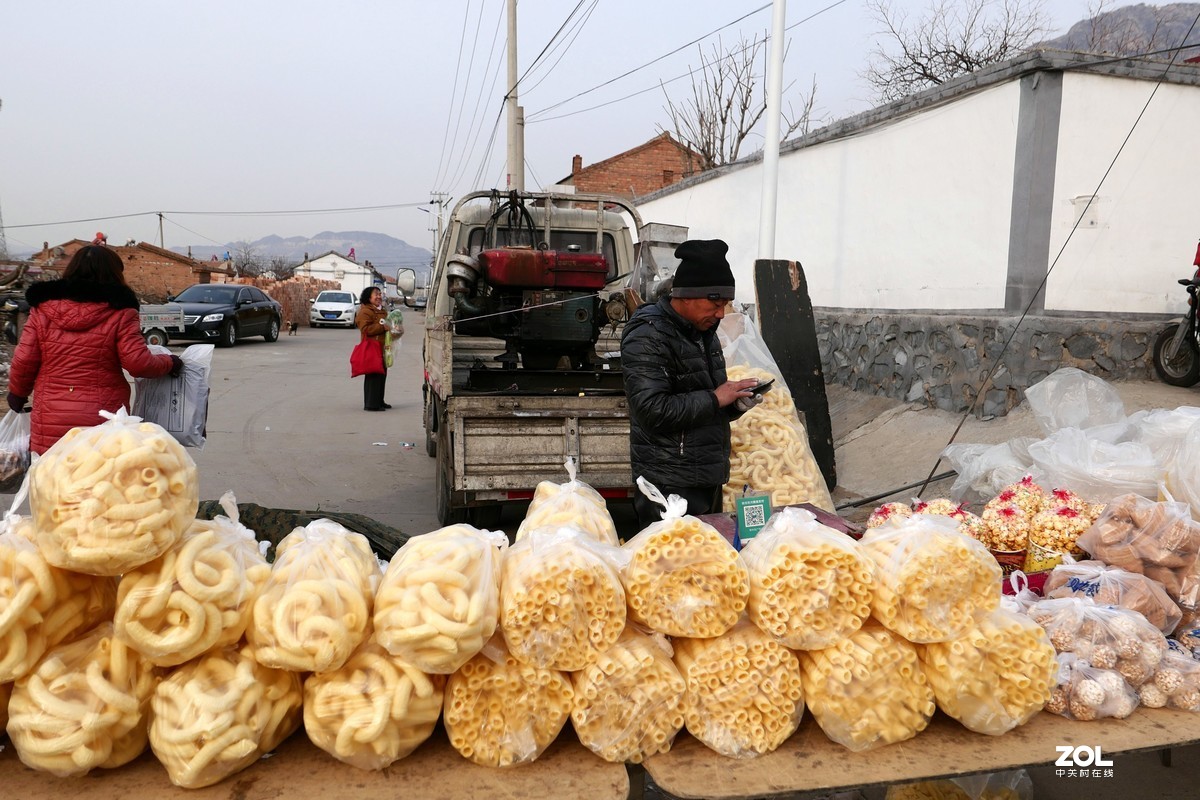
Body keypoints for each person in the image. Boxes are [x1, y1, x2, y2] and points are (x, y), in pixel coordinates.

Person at [620, 238, 763, 528]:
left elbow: (706, 403)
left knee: (709, 555)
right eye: (716, 303)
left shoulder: (703, 332)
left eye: (725, 305)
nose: (721, 313)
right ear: (686, 296)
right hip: (669, 486)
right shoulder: (649, 334)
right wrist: (716, 398)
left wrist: (735, 403)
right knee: (674, 557)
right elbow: (652, 409)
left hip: (706, 478)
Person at [7, 245, 183, 454]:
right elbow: (138, 363)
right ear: (115, 274)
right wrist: (170, 363)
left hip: (50, 414)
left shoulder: (42, 310)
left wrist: (17, 393)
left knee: (51, 472)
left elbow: (24, 359)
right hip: (102, 419)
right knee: (99, 473)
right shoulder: (121, 311)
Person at [355, 285, 391, 411]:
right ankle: (371, 404)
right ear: (368, 297)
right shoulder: (365, 311)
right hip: (372, 348)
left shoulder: (382, 311)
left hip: (383, 348)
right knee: (373, 375)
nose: (379, 297)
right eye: (376, 294)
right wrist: (382, 327)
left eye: (380, 294)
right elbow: (365, 329)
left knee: (382, 375)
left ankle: (380, 401)